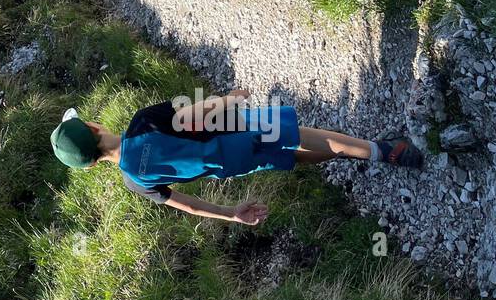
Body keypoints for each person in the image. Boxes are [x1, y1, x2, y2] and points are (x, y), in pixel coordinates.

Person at [49, 89, 423, 224]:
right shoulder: (141, 122)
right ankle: (386, 152)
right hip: (236, 128)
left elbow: (189, 206)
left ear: (93, 164)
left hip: (228, 165)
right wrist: (231, 99)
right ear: (95, 128)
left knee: (290, 156)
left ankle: (346, 154)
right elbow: (193, 115)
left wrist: (232, 213)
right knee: (306, 135)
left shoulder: (134, 181)